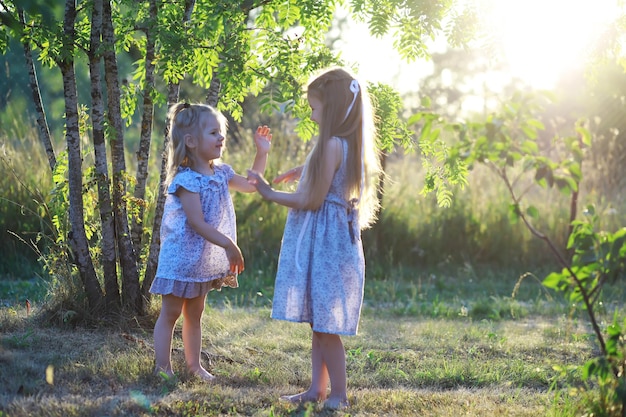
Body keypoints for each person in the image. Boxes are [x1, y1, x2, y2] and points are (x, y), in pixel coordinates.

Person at [247, 67, 382, 409]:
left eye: (315, 107)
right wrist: (302, 171)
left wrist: (269, 193)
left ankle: (339, 394)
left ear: (332, 108)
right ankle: (316, 388)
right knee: (319, 321)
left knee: (326, 325)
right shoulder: (345, 144)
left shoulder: (333, 145)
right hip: (331, 240)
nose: (311, 113)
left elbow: (311, 200)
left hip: (326, 243)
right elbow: (326, 181)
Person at [150, 102, 271, 381]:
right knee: (170, 313)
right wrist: (228, 244)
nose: (221, 138)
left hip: (201, 259)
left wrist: (261, 153)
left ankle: (194, 366)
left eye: (221, 132)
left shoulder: (222, 173)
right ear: (191, 142)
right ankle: (162, 368)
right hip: (181, 257)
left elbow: (252, 186)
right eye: (213, 132)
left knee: (196, 311)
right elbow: (197, 222)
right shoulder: (186, 180)